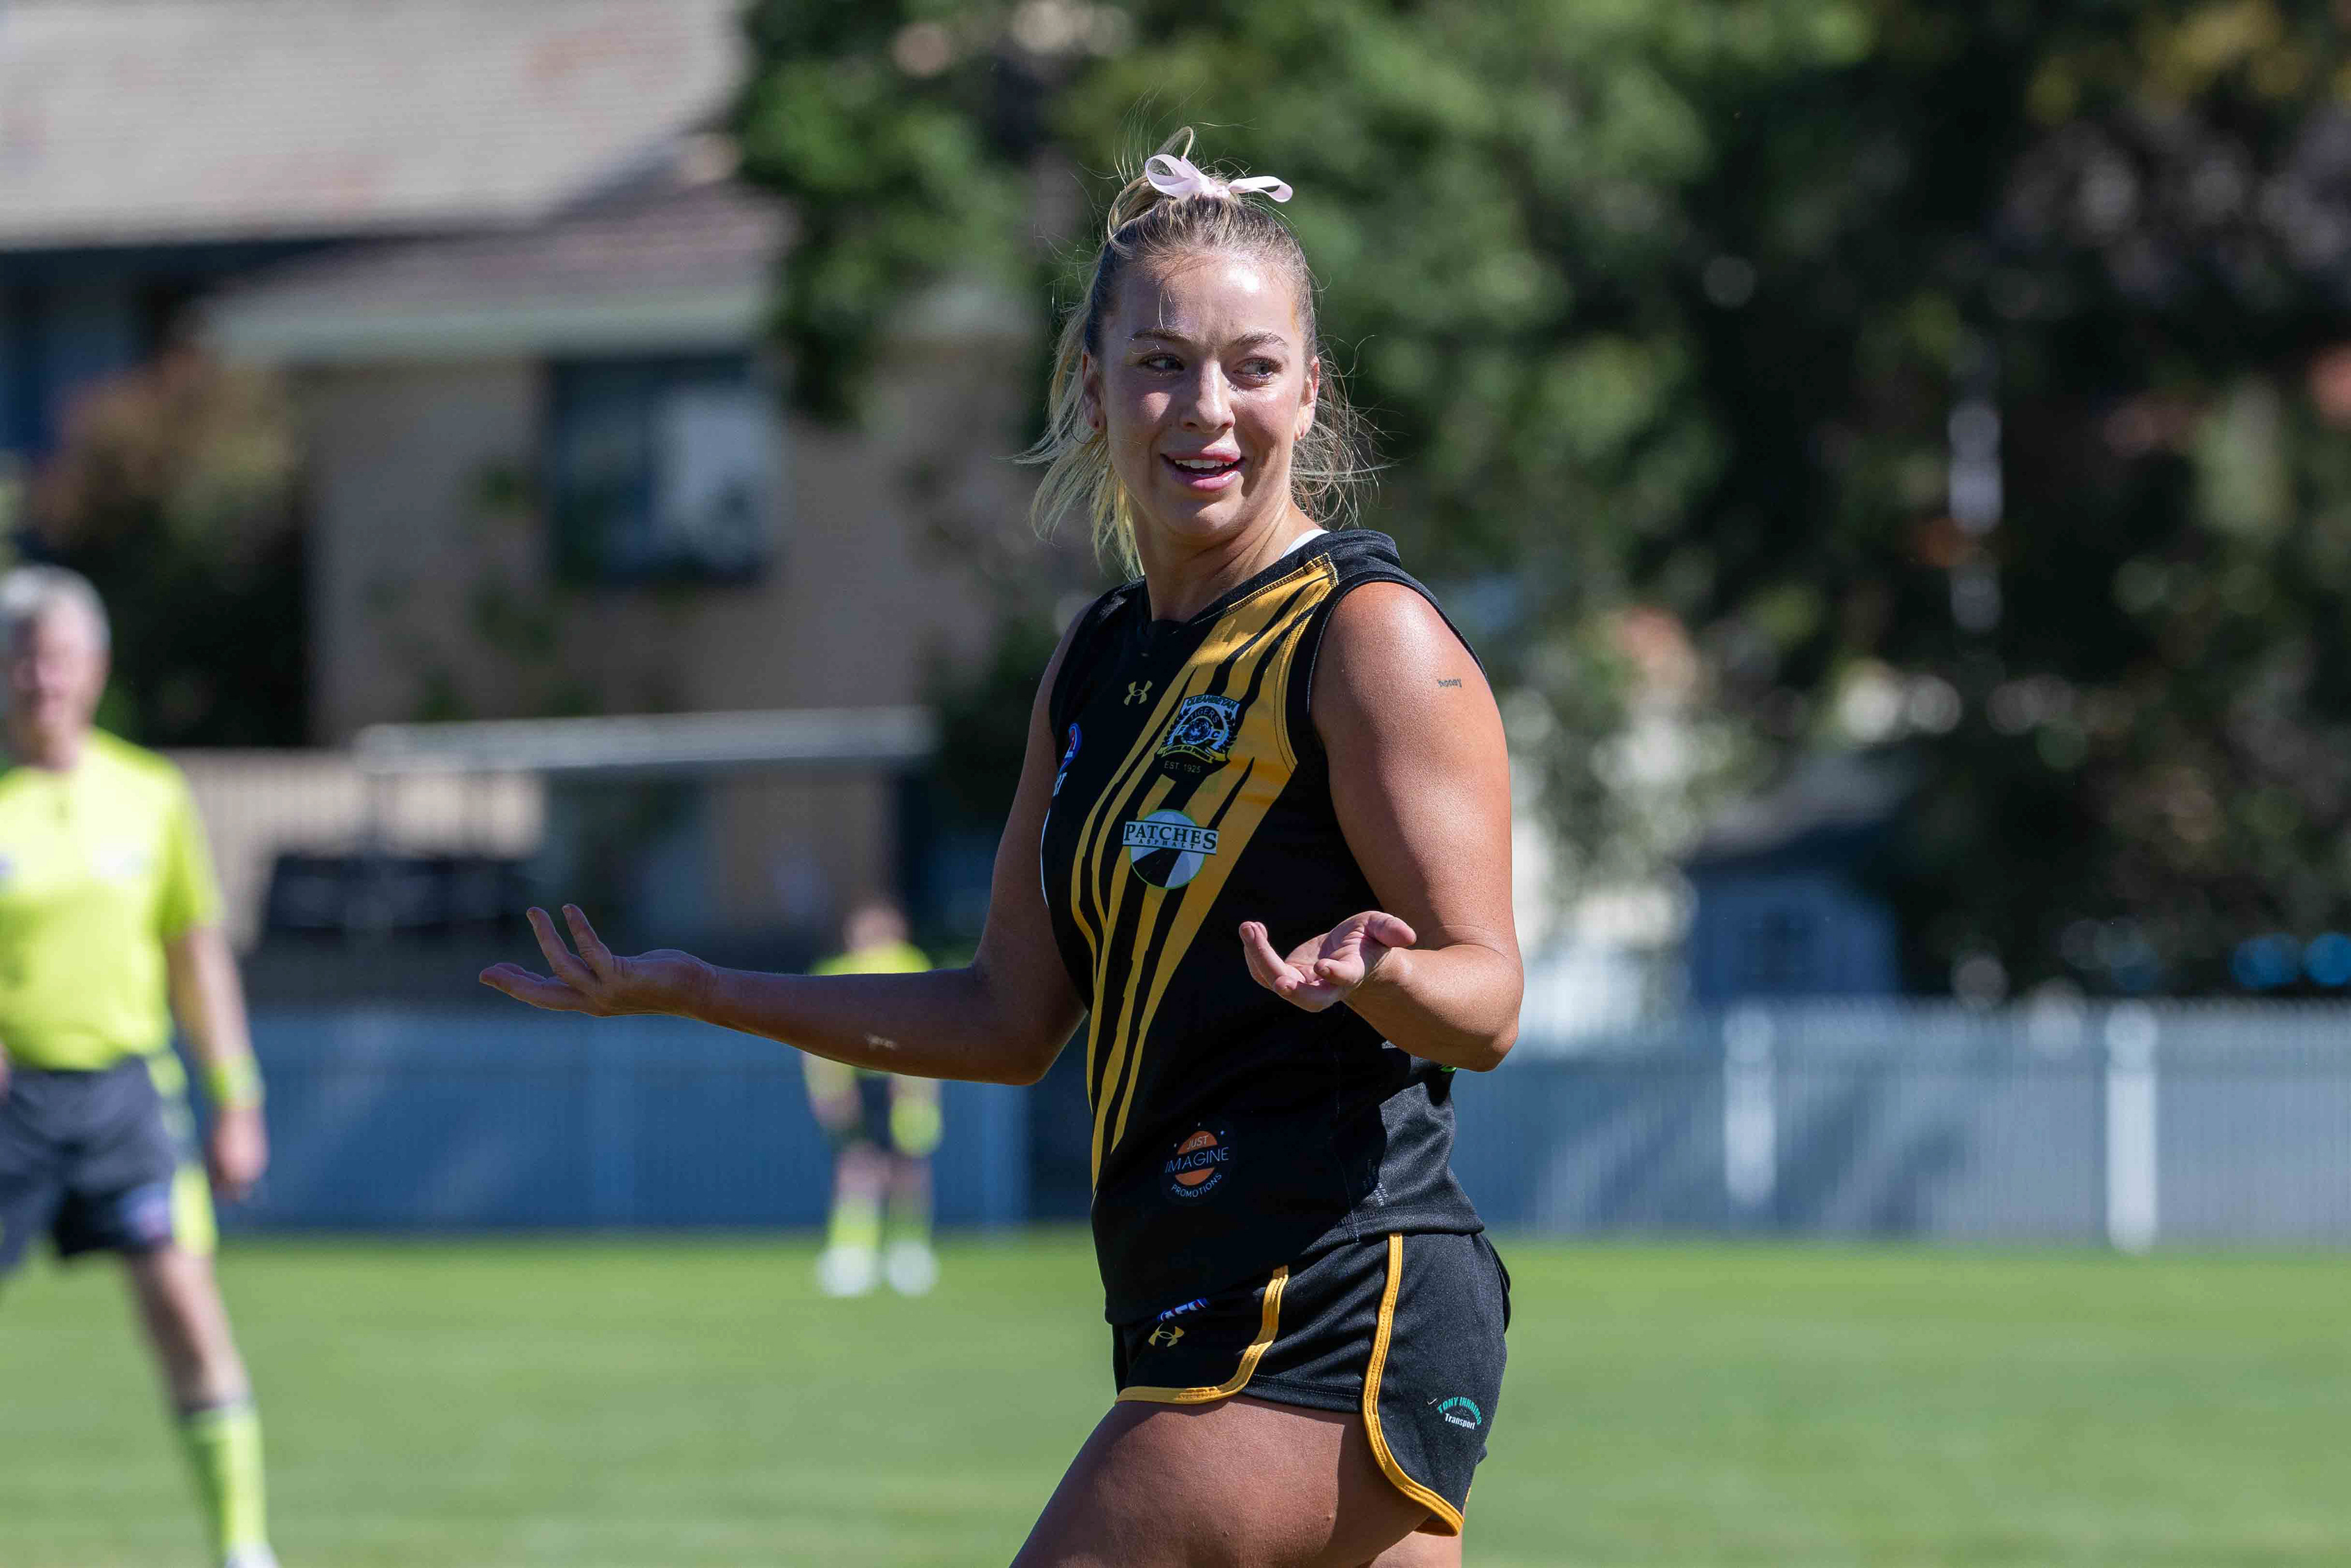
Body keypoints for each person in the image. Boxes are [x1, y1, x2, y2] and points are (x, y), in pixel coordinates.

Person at [483, 128, 1518, 1567]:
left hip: (1333, 1294)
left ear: (1309, 388)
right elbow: (1007, 1015)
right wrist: (704, 988)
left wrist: (1380, 974)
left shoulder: (1367, 638)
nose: (1205, 406)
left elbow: (1487, 998)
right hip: (1188, 1300)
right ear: (1089, 386)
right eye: (1159, 361)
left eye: (1251, 364)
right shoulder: (1093, 663)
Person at [0, 566, 279, 1568]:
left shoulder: (149, 796)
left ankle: (243, 1547)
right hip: (10, 1104)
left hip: (124, 1097)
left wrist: (237, 1097)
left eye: (58, 657)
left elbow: (195, 955)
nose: (40, 678)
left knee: (187, 1314)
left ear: (96, 668)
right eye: (22, 658)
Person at [801, 899, 942, 1297]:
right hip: (854, 1080)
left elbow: (925, 1026)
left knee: (908, 1165)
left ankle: (908, 1250)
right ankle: (853, 1252)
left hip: (906, 1080)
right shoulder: (835, 971)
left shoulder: (911, 964)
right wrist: (829, 1087)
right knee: (856, 1163)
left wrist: (914, 1080)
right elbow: (816, 1036)